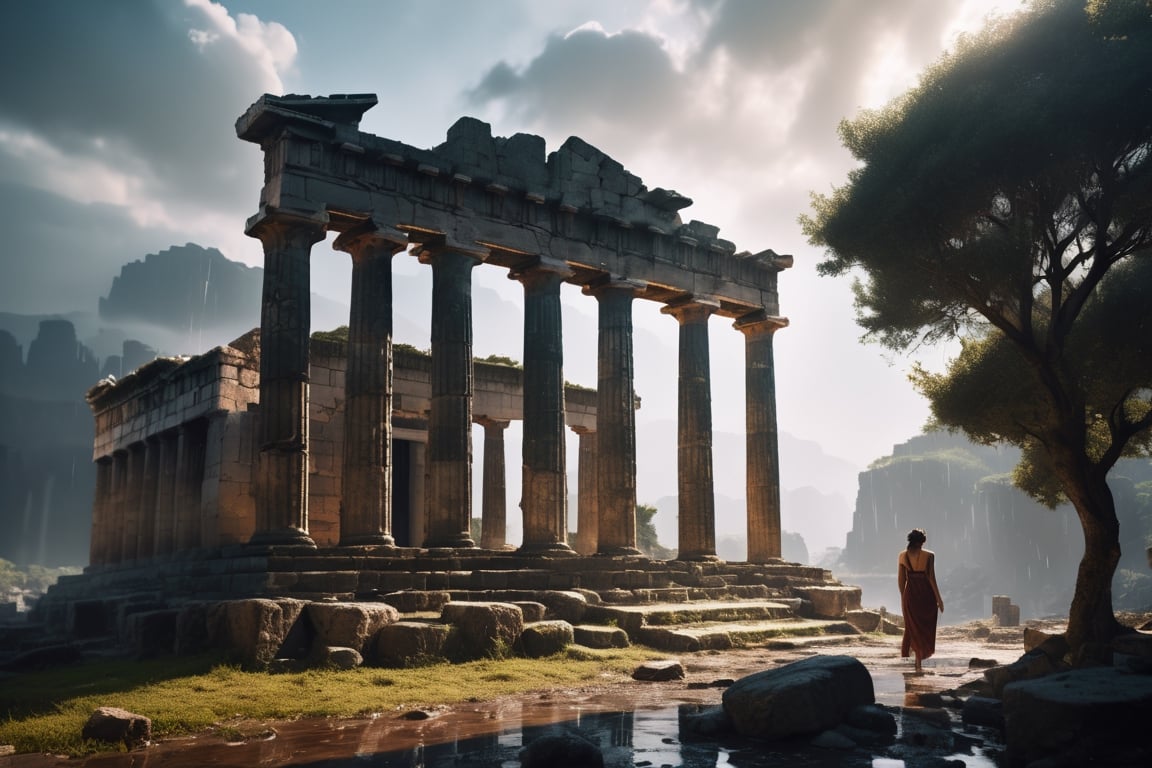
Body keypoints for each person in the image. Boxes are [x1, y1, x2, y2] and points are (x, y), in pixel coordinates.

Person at [898, 527, 943, 673]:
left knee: (911, 628)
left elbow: (901, 580)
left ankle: (908, 659)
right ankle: (918, 661)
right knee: (924, 627)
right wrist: (939, 599)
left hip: (910, 595)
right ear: (922, 541)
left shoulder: (903, 556)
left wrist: (903, 598)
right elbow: (931, 578)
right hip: (926, 595)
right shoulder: (929, 556)